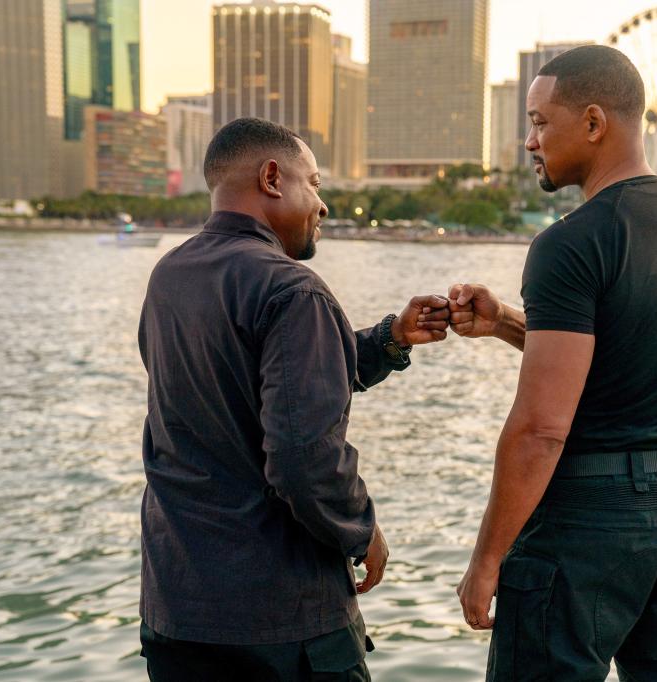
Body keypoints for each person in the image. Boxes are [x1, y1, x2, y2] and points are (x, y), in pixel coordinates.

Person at [451, 45, 657, 681]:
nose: (529, 141)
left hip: (591, 520)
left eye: (541, 122)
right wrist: (504, 323)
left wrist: (487, 558)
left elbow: (541, 428)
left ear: (595, 123)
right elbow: (622, 357)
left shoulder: (570, 243)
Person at [137, 117, 451, 681]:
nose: (323, 205)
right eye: (317, 183)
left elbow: (254, 386)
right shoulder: (292, 290)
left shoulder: (170, 274)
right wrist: (362, 529)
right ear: (273, 178)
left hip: (178, 610)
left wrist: (390, 338)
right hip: (283, 623)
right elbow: (303, 458)